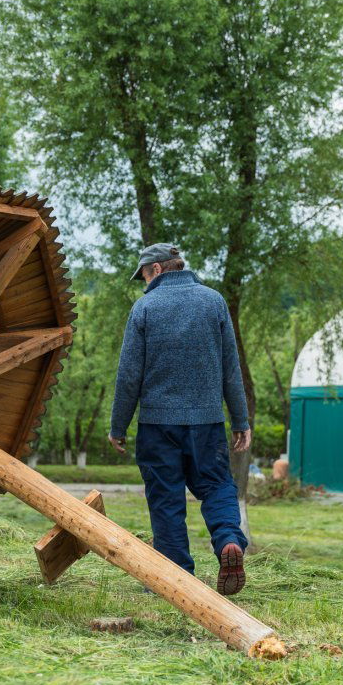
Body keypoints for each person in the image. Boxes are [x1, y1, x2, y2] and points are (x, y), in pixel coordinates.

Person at [108, 243, 252, 595]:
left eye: (143, 275)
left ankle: (174, 575)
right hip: (207, 423)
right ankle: (229, 540)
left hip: (158, 426)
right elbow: (231, 368)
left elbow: (129, 374)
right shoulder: (214, 301)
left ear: (156, 270)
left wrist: (118, 425)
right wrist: (240, 420)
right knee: (217, 485)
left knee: (166, 496)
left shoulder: (144, 308)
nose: (143, 283)